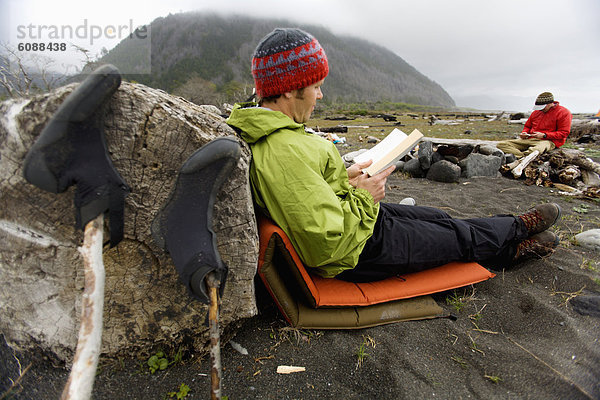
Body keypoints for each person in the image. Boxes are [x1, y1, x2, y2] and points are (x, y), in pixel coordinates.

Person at [227, 28, 561, 282]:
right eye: (315, 86)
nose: (320, 94)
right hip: (357, 249)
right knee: (457, 237)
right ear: (287, 89)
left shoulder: (281, 133)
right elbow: (324, 246)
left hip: (356, 221)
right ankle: (517, 231)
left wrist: (346, 179)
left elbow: (304, 193)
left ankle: (507, 246)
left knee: (441, 220)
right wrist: (363, 196)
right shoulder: (282, 149)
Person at [497, 92, 572, 158]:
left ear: (550, 104)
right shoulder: (536, 112)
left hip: (549, 141)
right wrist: (524, 133)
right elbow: (528, 126)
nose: (540, 109)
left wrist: (544, 135)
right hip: (530, 139)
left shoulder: (563, 112)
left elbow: (564, 133)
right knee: (502, 144)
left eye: (542, 107)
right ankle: (523, 157)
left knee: (537, 150)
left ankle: (521, 156)